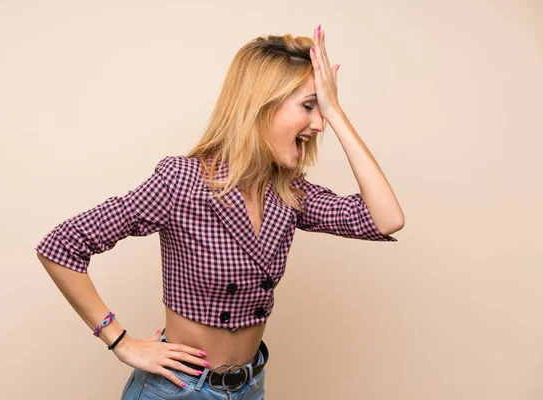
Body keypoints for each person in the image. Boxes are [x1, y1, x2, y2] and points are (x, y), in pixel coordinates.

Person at [35, 25, 404, 400]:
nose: (319, 123)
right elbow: (61, 247)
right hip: (178, 390)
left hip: (248, 387)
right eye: (309, 106)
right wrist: (120, 342)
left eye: (321, 109)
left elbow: (386, 219)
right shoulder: (183, 181)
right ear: (261, 105)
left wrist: (337, 113)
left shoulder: (290, 193)